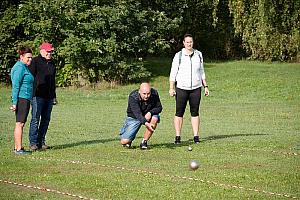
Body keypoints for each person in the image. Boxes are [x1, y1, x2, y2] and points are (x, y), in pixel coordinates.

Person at [169, 34, 209, 144]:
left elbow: (202, 72)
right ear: (183, 43)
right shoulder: (179, 56)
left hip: (196, 88)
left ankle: (196, 136)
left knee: (195, 112)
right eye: (187, 42)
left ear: (193, 42)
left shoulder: (198, 55)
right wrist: (171, 88)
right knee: (179, 113)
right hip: (181, 88)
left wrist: (205, 86)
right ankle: (177, 136)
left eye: (190, 42)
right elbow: (173, 73)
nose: (189, 44)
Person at [28, 42, 57, 151]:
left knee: (46, 119)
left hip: (49, 97)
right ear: (42, 51)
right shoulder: (35, 61)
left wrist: (54, 96)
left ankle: (41, 142)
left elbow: (53, 81)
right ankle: (33, 143)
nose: (50, 53)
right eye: (48, 51)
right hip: (37, 95)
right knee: (35, 119)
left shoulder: (52, 63)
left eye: (51, 51)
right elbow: (29, 78)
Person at [120, 82, 163, 149]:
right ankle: (129, 139)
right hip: (135, 117)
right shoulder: (133, 96)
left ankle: (144, 142)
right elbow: (137, 114)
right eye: (144, 94)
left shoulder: (154, 93)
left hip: (148, 115)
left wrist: (150, 112)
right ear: (139, 91)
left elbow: (159, 107)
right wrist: (145, 122)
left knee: (155, 118)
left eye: (148, 93)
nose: (146, 96)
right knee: (124, 141)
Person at [10, 46, 34, 155]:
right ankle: (18, 149)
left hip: (25, 98)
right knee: (19, 123)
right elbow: (15, 86)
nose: (30, 59)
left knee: (21, 123)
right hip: (22, 98)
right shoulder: (19, 67)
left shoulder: (24, 67)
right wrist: (14, 102)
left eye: (31, 57)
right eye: (28, 57)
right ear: (21, 57)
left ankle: (17, 147)